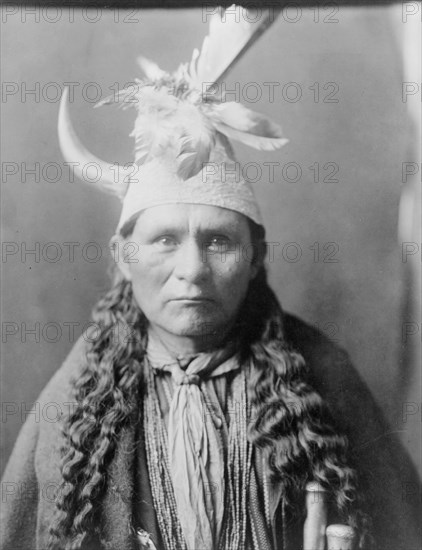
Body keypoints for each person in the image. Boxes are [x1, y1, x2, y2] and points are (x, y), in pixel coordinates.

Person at [1, 7, 420, 550]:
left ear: (255, 256)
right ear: (123, 254)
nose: (193, 270)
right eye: (165, 240)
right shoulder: (76, 398)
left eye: (219, 241)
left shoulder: (323, 376)